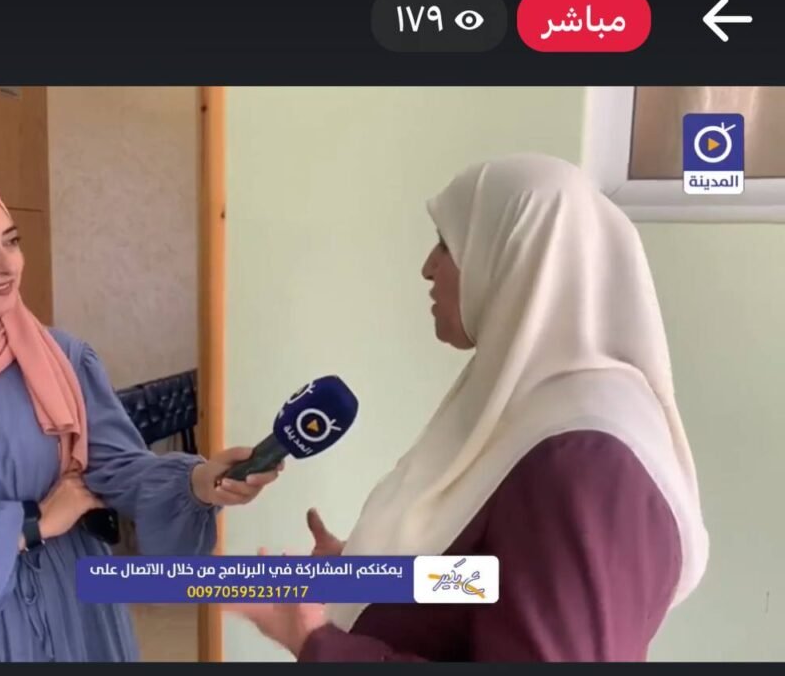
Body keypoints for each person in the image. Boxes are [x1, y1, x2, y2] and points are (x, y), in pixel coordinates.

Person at [228, 153, 710, 661]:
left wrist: (317, 642)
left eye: (446, 243)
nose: (427, 268)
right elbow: (494, 580)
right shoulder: (540, 402)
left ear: (514, 255)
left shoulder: (584, 464)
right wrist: (365, 576)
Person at [0, 174, 281, 662]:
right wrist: (31, 523)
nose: (6, 264)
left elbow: (118, 469)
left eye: (11, 241)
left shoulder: (62, 359)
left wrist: (198, 483)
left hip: (79, 615)